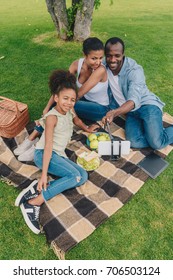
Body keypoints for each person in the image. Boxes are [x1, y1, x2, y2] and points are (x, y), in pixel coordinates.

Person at [15, 70, 99, 234]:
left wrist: (88, 129)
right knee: (74, 176)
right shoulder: (52, 118)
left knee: (82, 176)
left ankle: (35, 189)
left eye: (72, 100)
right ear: (56, 98)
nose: (69, 103)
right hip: (44, 155)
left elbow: (76, 120)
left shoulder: (69, 110)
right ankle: (33, 203)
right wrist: (44, 174)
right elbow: (47, 146)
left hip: (58, 155)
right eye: (65, 98)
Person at [14, 37, 110, 161]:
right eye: (94, 58)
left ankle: (38, 145)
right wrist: (47, 108)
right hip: (82, 103)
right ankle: (32, 138)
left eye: (100, 58)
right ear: (84, 55)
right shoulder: (76, 65)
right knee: (62, 103)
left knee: (64, 105)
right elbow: (61, 88)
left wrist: (83, 127)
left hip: (99, 108)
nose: (98, 62)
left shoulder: (100, 70)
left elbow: (77, 95)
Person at [102, 37, 173, 150]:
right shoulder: (103, 64)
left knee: (157, 143)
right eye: (109, 55)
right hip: (130, 112)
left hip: (147, 106)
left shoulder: (134, 71)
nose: (112, 59)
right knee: (134, 142)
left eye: (117, 56)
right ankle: (153, 133)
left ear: (123, 54)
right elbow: (88, 62)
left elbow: (133, 101)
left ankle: (157, 136)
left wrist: (114, 113)